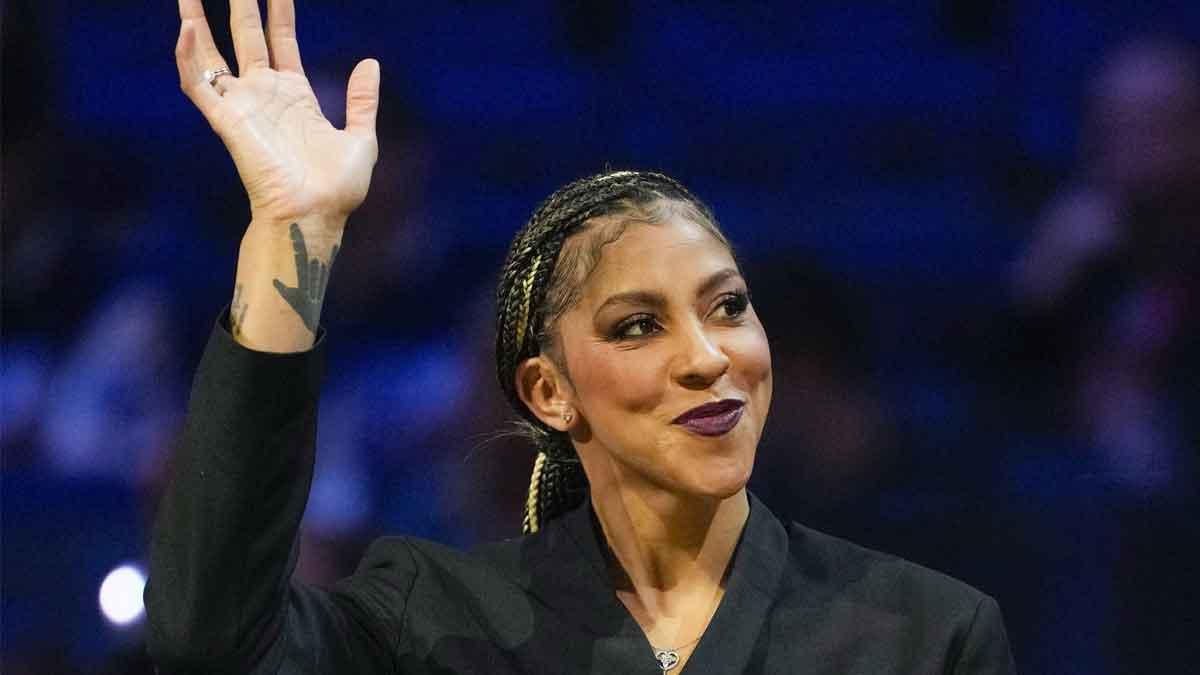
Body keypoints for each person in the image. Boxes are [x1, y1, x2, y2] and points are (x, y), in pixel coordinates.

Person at [146, 1, 1016, 672]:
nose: (709, 356)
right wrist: (291, 231)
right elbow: (210, 639)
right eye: (639, 325)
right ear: (547, 391)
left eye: (727, 307)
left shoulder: (927, 634)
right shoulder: (439, 620)